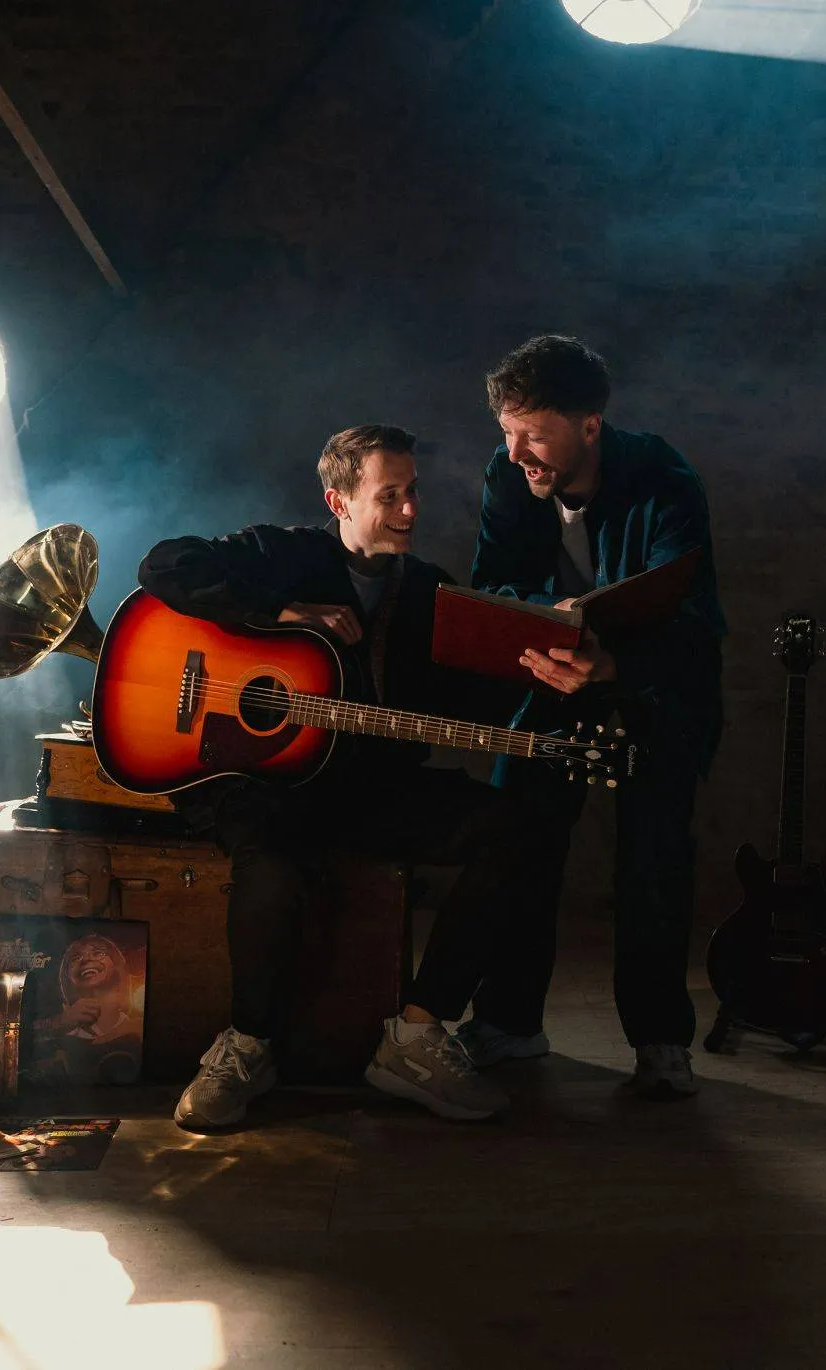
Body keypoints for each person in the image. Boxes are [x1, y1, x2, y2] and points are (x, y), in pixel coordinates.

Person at [138, 424, 533, 1131]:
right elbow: (164, 566)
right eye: (390, 496)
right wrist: (276, 614)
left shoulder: (427, 594)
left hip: (362, 785)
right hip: (258, 778)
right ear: (339, 500)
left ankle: (415, 1036)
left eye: (413, 492)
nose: (411, 510)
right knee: (273, 862)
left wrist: (537, 668)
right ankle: (248, 1048)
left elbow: (466, 701)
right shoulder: (281, 552)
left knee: (509, 828)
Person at [453, 335, 727, 1099]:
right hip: (548, 685)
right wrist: (549, 626)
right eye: (506, 432)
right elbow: (493, 585)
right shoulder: (507, 477)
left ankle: (661, 1042)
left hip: (653, 689)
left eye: (534, 434)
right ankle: (509, 1024)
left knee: (653, 862)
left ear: (590, 425)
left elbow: (694, 615)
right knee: (520, 841)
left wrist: (612, 661)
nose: (517, 454)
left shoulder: (665, 478)